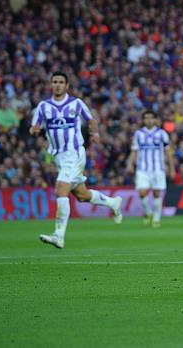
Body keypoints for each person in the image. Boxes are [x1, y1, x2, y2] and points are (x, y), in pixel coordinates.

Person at [30, 71, 122, 249]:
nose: (57, 84)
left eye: (61, 82)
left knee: (61, 189)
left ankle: (59, 235)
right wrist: (33, 130)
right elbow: (34, 126)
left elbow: (91, 120)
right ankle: (113, 202)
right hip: (58, 157)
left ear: (66, 86)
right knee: (82, 195)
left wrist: (94, 133)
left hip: (74, 152)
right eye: (54, 81)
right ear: (51, 85)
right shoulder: (43, 107)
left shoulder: (76, 103)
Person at [127, 110, 174, 228]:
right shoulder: (138, 134)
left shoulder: (162, 133)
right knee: (142, 193)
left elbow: (168, 152)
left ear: (155, 119)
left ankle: (156, 219)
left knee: (157, 194)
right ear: (143, 120)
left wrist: (172, 168)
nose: (149, 120)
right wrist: (130, 164)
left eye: (151, 118)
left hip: (158, 168)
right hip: (142, 168)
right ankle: (148, 212)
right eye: (146, 118)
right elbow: (134, 150)